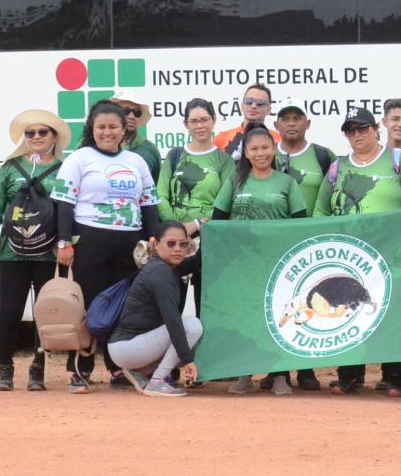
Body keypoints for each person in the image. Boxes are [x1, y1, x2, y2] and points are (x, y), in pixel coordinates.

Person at [315, 104, 401, 395]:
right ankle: (349, 376)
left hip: (394, 252)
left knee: (394, 311)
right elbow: (320, 210)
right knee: (349, 310)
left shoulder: (397, 160)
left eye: (362, 128)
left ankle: (396, 377)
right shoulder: (337, 166)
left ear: (375, 129)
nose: (357, 134)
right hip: (349, 256)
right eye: (350, 130)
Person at [52, 100, 158, 393]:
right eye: (101, 127)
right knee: (87, 307)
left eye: (113, 127)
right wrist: (64, 241)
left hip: (129, 243)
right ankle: (79, 370)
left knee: (123, 308)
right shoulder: (80, 159)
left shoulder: (136, 161)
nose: (107, 132)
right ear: (92, 129)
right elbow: (63, 203)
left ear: (124, 129)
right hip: (90, 241)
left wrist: (152, 239)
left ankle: (116, 368)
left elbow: (149, 204)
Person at [0, 108, 68, 392]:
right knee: (9, 313)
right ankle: (4, 369)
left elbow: (70, 211)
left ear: (54, 136)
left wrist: (68, 243)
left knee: (46, 315)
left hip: (48, 256)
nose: (37, 137)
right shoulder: (9, 169)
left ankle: (38, 370)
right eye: (31, 133)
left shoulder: (65, 169)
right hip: (12, 254)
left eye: (43, 132)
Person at [216, 125, 309, 396]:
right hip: (242, 265)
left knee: (278, 318)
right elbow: (219, 221)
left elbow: (300, 224)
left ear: (274, 149)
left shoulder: (286, 182)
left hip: (278, 264)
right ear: (245, 152)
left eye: (265, 148)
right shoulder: (234, 181)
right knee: (245, 318)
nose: (260, 153)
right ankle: (245, 374)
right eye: (254, 149)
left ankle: (280, 374)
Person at [105, 221, 203, 398]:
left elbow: (196, 262)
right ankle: (157, 380)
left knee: (190, 340)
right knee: (192, 327)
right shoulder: (160, 272)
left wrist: (206, 234)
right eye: (171, 243)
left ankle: (142, 370)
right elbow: (172, 320)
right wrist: (188, 361)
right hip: (128, 347)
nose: (178, 249)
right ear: (156, 244)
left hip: (129, 347)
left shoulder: (164, 266)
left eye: (183, 244)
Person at [273, 103, 333, 390]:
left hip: (312, 245)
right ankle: (276, 371)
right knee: (278, 305)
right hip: (274, 243)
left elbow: (336, 192)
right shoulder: (266, 155)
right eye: (285, 119)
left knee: (307, 303)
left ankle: (307, 370)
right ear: (277, 126)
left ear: (308, 123)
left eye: (297, 119)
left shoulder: (322, 156)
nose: (292, 124)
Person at [158, 97, 234, 323]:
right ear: (186, 124)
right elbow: (160, 194)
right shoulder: (174, 155)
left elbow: (225, 203)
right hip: (174, 241)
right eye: (194, 121)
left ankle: (204, 356)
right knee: (171, 303)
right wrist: (176, 230)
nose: (200, 125)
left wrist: (198, 224)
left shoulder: (224, 160)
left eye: (205, 120)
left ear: (214, 121)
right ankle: (173, 354)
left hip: (208, 240)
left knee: (206, 303)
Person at [215, 84, 280, 157]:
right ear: (242, 106)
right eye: (249, 102)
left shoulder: (279, 140)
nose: (253, 106)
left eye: (260, 103)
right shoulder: (221, 139)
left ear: (269, 110)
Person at [112, 97, 161, 178]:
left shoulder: (150, 150)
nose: (132, 116)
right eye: (125, 111)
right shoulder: (95, 147)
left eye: (136, 112)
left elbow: (156, 186)